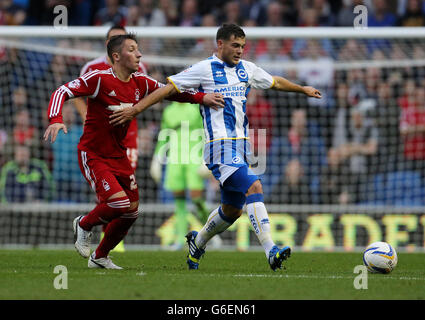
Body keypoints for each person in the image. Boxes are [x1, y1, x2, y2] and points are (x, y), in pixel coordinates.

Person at [109, 24, 321, 271]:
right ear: (220, 44)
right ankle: (271, 250)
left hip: (241, 146)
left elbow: (274, 82)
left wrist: (302, 89)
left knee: (232, 210)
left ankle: (197, 243)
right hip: (219, 146)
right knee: (255, 185)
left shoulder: (247, 69)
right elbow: (167, 89)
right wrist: (135, 110)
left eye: (242, 46)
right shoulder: (204, 68)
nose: (240, 50)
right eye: (235, 45)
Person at [43, 34, 224, 269]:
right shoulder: (98, 79)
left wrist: (202, 98)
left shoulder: (140, 82)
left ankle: (99, 257)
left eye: (138, 49)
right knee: (119, 204)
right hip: (94, 153)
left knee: (131, 211)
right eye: (132, 49)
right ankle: (84, 224)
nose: (139, 54)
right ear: (116, 57)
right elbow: (61, 91)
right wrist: (56, 118)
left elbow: (171, 91)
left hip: (119, 155)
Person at [75, 25, 148, 252]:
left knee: (128, 201)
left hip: (127, 138)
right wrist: (86, 116)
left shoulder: (139, 68)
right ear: (110, 47)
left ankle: (106, 247)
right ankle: (90, 229)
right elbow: (76, 94)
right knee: (115, 197)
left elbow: (146, 95)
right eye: (115, 39)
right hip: (99, 141)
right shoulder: (93, 68)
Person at [150, 101, 212, 249]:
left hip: (194, 158)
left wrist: (206, 158)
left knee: (196, 197)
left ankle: (211, 230)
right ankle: (180, 239)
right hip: (175, 159)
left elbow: (205, 133)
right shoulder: (169, 111)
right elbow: (163, 137)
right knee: (179, 200)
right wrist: (157, 160)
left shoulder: (195, 108)